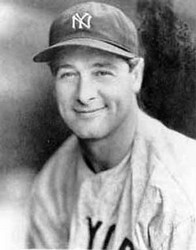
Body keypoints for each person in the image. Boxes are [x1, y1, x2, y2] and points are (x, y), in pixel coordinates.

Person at [26, 2, 196, 249]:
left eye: (102, 72)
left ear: (135, 75)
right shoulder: (52, 183)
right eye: (68, 74)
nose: (84, 94)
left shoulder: (180, 188)